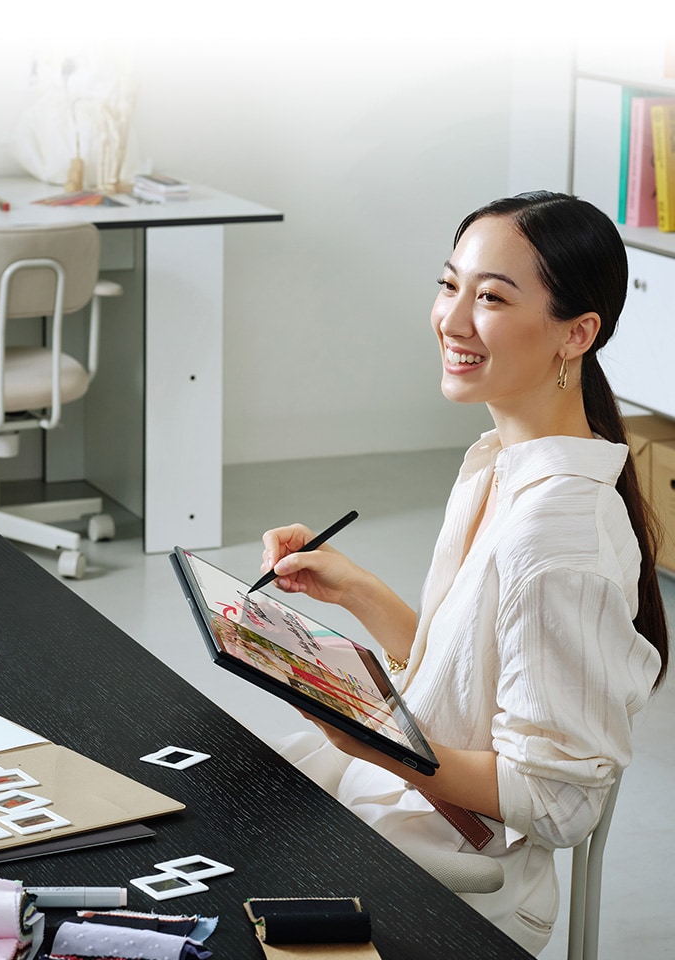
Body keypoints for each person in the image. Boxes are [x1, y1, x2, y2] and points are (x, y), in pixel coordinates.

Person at [258, 191, 669, 955]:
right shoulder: (498, 465)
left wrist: (371, 741)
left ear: (577, 333)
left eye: (491, 298)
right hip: (391, 808)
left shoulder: (559, 536)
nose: (451, 320)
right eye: (450, 285)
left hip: (455, 878)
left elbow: (553, 800)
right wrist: (358, 590)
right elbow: (476, 675)